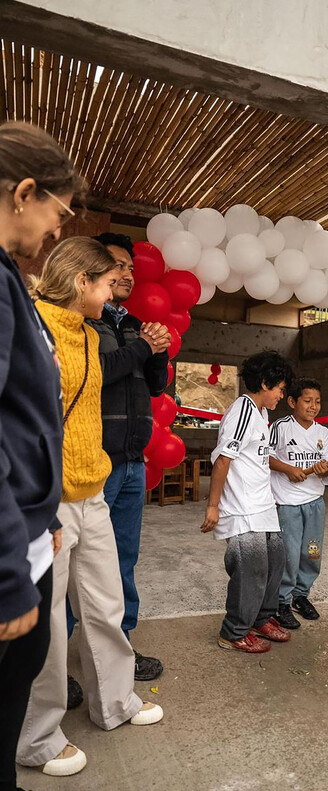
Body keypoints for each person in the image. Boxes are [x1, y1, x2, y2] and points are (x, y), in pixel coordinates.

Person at [17, 237, 163, 778]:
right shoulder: (34, 331)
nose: (113, 292)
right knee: (50, 625)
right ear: (82, 281)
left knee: (104, 605)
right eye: (107, 283)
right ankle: (36, 737)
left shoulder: (90, 332)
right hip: (48, 501)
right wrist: (40, 505)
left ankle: (115, 703)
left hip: (92, 491)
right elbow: (25, 427)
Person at [0, 120, 83, 791]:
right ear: (24, 193)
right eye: (58, 212)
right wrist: (7, 571)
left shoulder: (11, 284)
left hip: (26, 530)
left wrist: (41, 514)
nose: (57, 231)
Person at [66, 233, 167, 704]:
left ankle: (120, 647)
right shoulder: (80, 323)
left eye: (130, 268)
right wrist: (143, 348)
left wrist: (158, 350)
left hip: (130, 461)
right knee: (74, 569)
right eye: (118, 267)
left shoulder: (132, 323)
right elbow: (97, 374)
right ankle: (59, 662)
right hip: (94, 463)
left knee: (122, 561)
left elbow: (155, 383)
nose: (127, 275)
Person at [200, 351, 294, 653]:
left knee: (275, 561)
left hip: (263, 506)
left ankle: (261, 618)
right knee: (251, 570)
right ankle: (233, 631)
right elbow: (223, 460)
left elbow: (261, 460)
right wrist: (213, 506)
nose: (282, 395)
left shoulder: (262, 413)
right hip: (241, 509)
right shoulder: (242, 410)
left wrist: (290, 469)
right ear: (265, 383)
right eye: (280, 388)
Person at [269, 378, 328, 629]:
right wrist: (287, 469)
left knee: (312, 552)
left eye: (317, 402)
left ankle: (301, 596)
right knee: (289, 554)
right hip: (287, 503)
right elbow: (265, 458)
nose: (313, 406)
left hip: (315, 503)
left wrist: (322, 470)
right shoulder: (280, 427)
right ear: (292, 402)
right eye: (307, 401)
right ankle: (281, 602)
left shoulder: (323, 433)